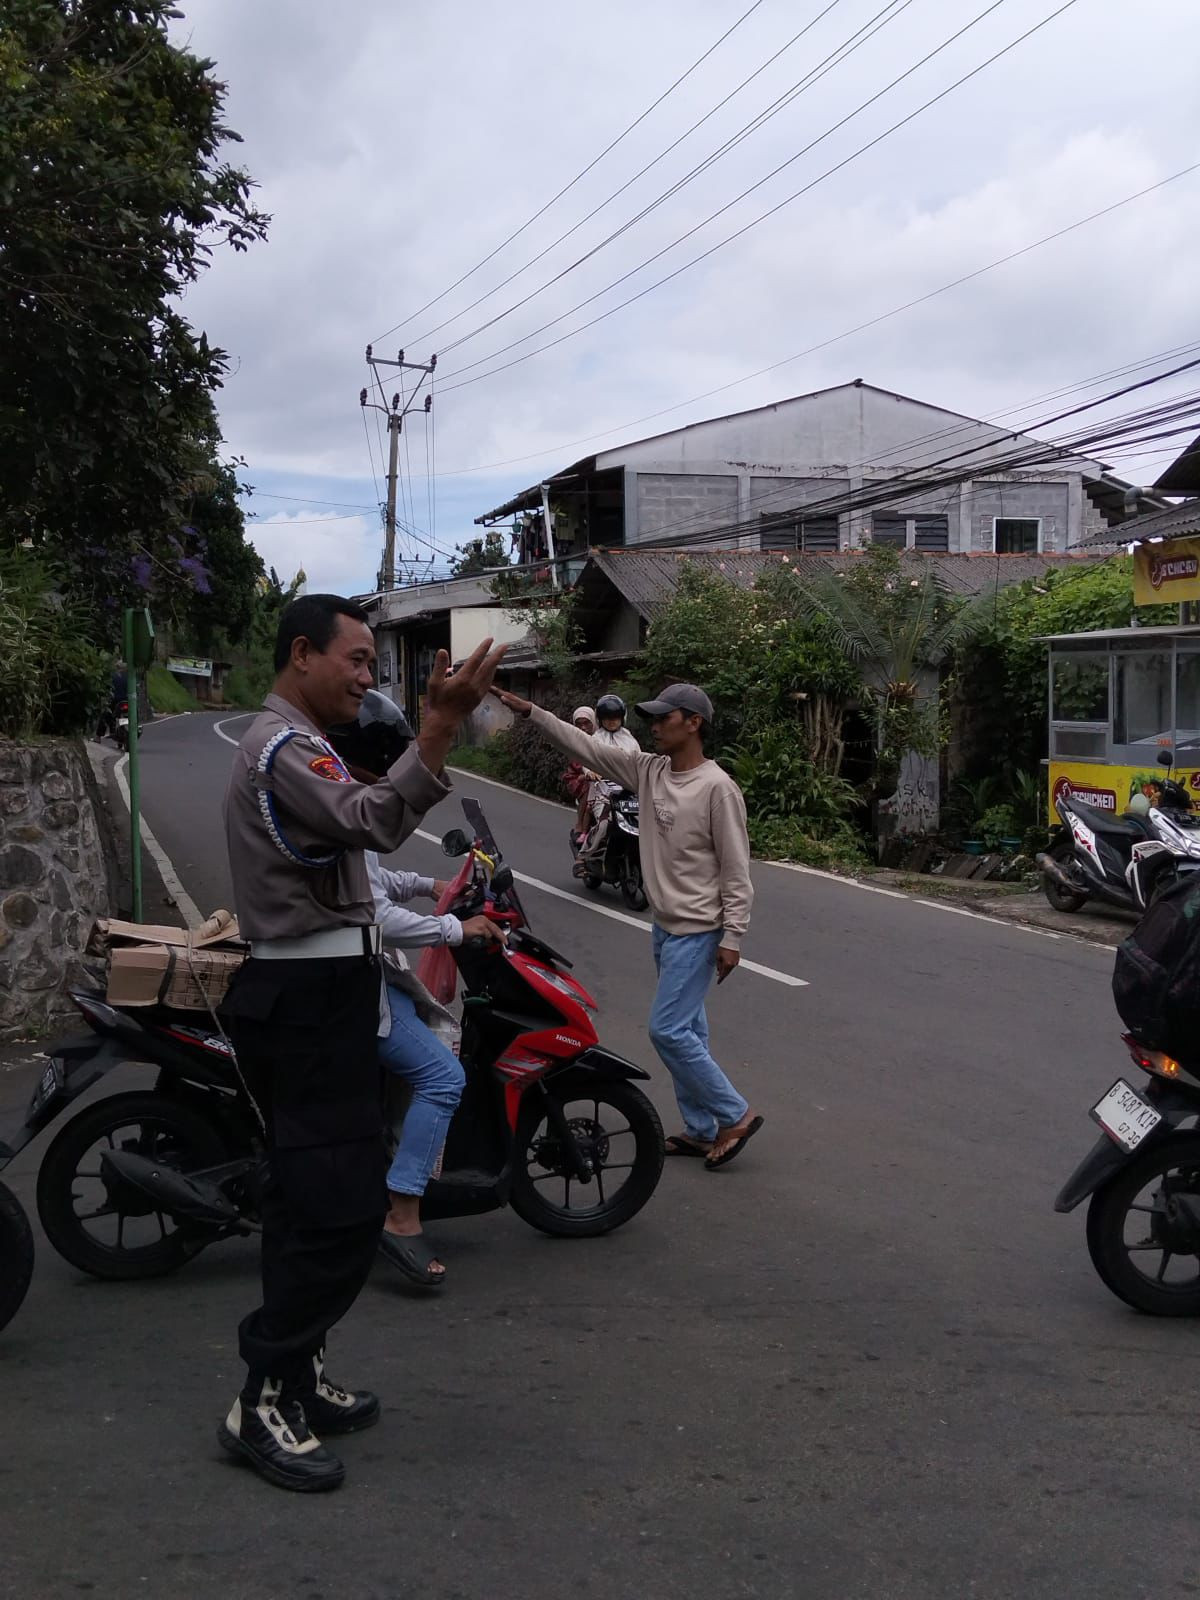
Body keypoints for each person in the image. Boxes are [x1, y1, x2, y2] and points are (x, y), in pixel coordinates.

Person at [218, 594, 505, 1493]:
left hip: (330, 992)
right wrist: (439, 729)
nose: (365, 678)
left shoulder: (303, 747)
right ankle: (262, 1394)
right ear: (302, 655)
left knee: (316, 1200)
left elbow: (365, 855)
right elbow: (374, 821)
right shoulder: (283, 747)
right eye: (354, 660)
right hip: (306, 997)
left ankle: (296, 1376)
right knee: (337, 1208)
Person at [491, 680, 762, 1171]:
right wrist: (531, 711)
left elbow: (735, 868)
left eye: (664, 718)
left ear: (694, 723)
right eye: (652, 718)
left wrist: (733, 936)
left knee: (668, 1031)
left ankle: (734, 1114)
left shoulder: (718, 787)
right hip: (666, 927)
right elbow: (584, 745)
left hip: (698, 930)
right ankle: (701, 1130)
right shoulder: (649, 770)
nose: (654, 726)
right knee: (690, 1032)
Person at [325, 691, 504, 1290]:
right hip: (351, 980)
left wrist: (428, 883)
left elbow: (371, 880)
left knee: (423, 1035)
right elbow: (372, 915)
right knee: (444, 1077)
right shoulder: (343, 806)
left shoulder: (335, 798)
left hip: (353, 973)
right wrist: (456, 926)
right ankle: (402, 1215)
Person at [563, 706, 597, 838]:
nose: (583, 727)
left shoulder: (601, 738)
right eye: (579, 724)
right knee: (589, 787)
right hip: (578, 776)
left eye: (586, 723)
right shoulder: (573, 741)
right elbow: (576, 763)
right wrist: (586, 774)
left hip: (601, 774)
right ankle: (580, 824)